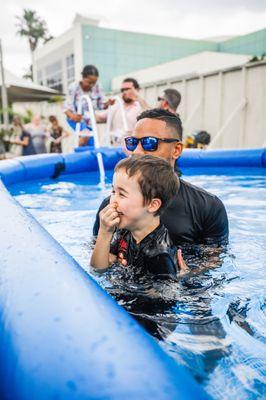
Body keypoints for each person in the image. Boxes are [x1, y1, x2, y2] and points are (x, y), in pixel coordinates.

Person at [93, 109, 229, 261]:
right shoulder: (112, 205)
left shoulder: (207, 207)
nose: (136, 151)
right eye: (132, 143)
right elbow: (96, 251)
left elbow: (215, 260)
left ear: (176, 150)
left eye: (149, 143)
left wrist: (182, 276)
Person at [91, 155, 186, 278]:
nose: (112, 200)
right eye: (113, 191)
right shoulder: (125, 231)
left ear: (152, 205)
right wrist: (104, 233)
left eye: (122, 194)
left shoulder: (159, 256)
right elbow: (97, 270)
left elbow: (161, 295)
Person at [96, 78, 149, 146]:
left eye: (127, 89)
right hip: (116, 148)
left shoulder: (140, 106)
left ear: (137, 90)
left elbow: (151, 116)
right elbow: (98, 118)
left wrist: (137, 97)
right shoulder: (116, 106)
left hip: (133, 148)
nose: (124, 92)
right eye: (122, 90)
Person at [63, 65, 105, 146]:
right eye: (89, 82)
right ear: (83, 78)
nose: (92, 85)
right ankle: (78, 153)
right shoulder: (73, 87)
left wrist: (108, 103)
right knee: (85, 136)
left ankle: (91, 156)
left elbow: (102, 104)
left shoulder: (97, 87)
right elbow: (66, 107)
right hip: (75, 118)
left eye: (94, 82)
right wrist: (72, 116)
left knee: (93, 142)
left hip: (89, 119)